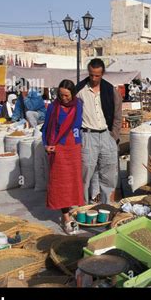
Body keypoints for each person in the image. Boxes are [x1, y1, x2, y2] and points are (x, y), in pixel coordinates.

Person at [76, 58, 122, 204]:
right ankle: (82, 207)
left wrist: (113, 137)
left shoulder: (110, 90)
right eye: (91, 75)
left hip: (106, 135)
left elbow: (117, 115)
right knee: (85, 174)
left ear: (102, 74)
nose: (94, 78)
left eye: (97, 75)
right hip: (88, 136)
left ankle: (106, 206)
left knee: (108, 175)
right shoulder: (79, 90)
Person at [41, 80, 84, 235]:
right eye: (61, 95)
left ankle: (72, 210)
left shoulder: (78, 105)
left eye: (66, 95)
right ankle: (65, 216)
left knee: (74, 181)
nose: (64, 98)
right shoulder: (53, 107)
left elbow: (79, 126)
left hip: (74, 148)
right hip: (58, 148)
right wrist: (46, 145)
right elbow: (45, 128)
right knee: (60, 183)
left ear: (73, 94)